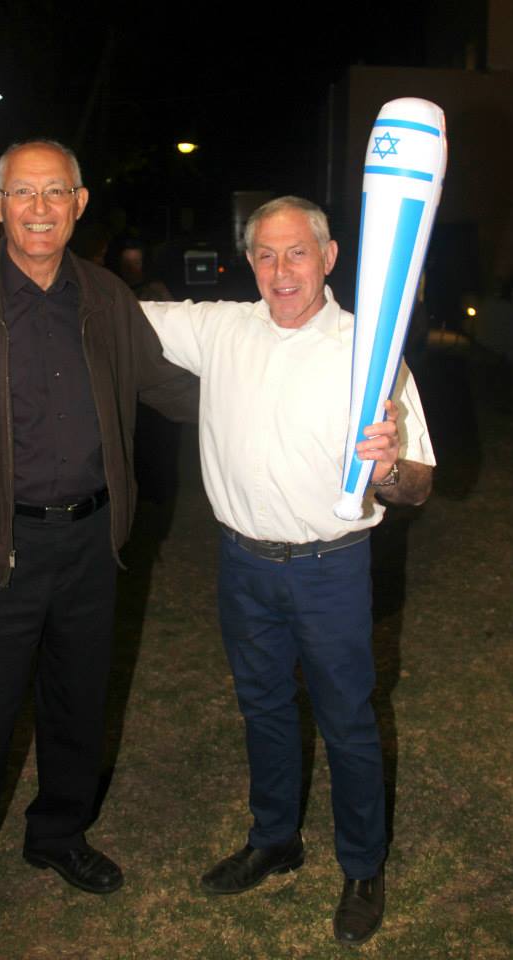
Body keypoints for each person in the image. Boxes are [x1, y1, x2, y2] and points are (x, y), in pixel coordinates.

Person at [0, 139, 197, 955]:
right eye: (24, 192)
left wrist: (279, 396)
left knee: (77, 709)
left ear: (80, 204)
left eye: (57, 192)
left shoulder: (106, 296)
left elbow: (166, 385)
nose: (41, 208)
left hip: (90, 542)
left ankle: (58, 835)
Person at [140, 196, 435, 947]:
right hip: (243, 564)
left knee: (347, 722)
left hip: (330, 569)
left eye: (296, 252)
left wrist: (387, 467)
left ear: (328, 258)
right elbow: (113, 313)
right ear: (249, 262)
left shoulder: (370, 350)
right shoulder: (221, 330)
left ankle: (362, 867)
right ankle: (274, 839)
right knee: (263, 708)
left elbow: (418, 485)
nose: (281, 271)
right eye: (265, 255)